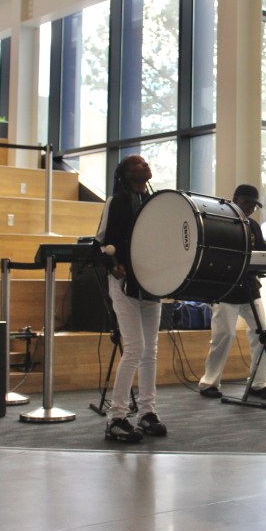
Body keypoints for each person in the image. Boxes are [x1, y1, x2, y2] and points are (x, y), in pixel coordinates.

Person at [95, 155, 166, 443]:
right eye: (137, 163)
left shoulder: (154, 202)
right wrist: (113, 266)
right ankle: (116, 417)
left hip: (150, 284)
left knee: (150, 350)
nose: (145, 165)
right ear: (125, 174)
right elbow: (101, 242)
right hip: (124, 283)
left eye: (146, 162)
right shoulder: (117, 202)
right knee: (135, 347)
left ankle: (147, 412)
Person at [198, 184, 266, 399]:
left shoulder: (253, 225)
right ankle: (209, 382)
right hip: (226, 287)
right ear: (235, 200)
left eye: (253, 205)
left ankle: (260, 384)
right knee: (224, 334)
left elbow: (261, 251)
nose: (250, 208)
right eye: (247, 203)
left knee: (262, 334)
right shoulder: (220, 222)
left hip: (250, 287)